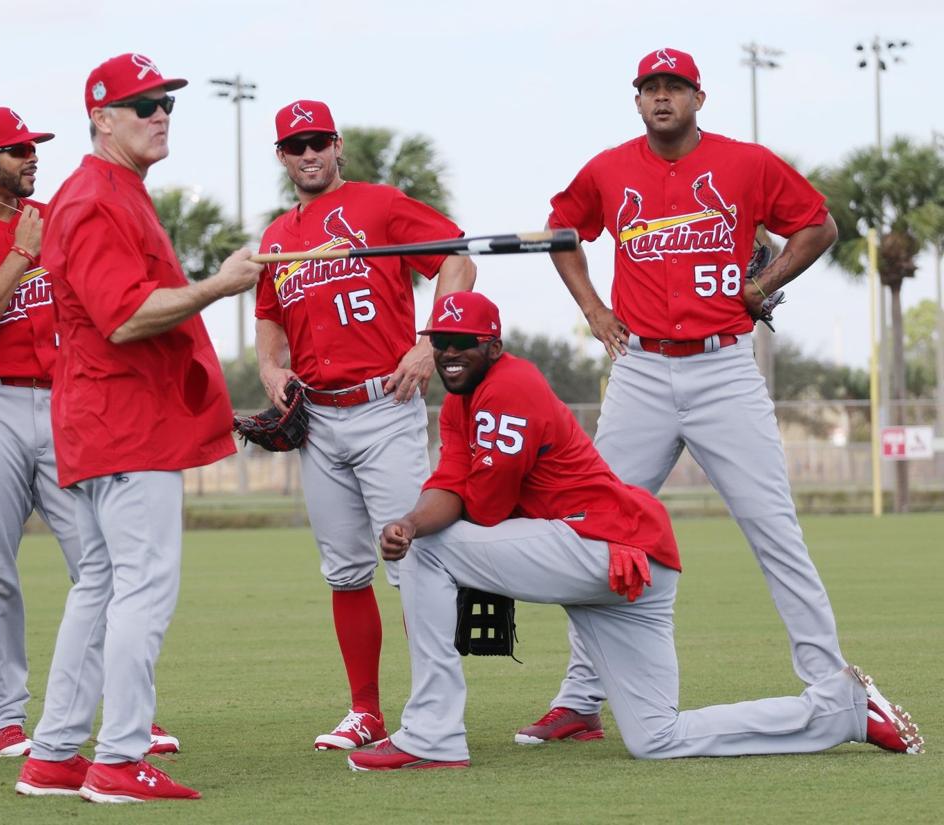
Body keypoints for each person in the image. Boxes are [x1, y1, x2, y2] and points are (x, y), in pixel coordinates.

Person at [347, 290, 922, 771]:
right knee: (655, 737)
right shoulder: (461, 402)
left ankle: (431, 735)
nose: (448, 353)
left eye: (462, 343)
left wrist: (421, 538)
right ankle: (838, 711)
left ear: (492, 346)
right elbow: (449, 486)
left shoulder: (508, 388)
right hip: (634, 563)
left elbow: (488, 509)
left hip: (599, 547)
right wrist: (408, 522)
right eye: (439, 343)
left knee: (430, 554)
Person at [521, 46, 849, 744]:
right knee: (597, 527)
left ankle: (832, 682)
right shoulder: (609, 169)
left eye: (675, 86)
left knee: (774, 530)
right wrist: (592, 309)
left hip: (724, 366)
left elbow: (819, 223)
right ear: (636, 100)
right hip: (640, 368)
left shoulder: (747, 163)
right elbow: (561, 232)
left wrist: (761, 285)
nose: (662, 97)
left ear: (700, 98)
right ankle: (581, 697)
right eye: (651, 88)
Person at [13, 53, 261, 803]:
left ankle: (56, 754)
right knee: (141, 588)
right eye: (144, 102)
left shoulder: (118, 191)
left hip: (110, 419)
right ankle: (119, 758)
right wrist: (220, 284)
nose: (160, 114)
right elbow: (123, 315)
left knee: (102, 586)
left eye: (168, 104)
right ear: (102, 118)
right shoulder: (94, 197)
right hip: (121, 422)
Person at [254, 99, 477, 750]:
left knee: (412, 560)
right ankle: (365, 712)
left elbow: (457, 256)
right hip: (317, 418)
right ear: (282, 156)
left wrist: (434, 339)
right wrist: (271, 370)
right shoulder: (276, 237)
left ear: (337, 145)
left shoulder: (379, 205)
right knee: (345, 569)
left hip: (384, 405)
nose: (309, 153)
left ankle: (434, 710)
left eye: (318, 140)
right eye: (295, 145)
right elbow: (269, 317)